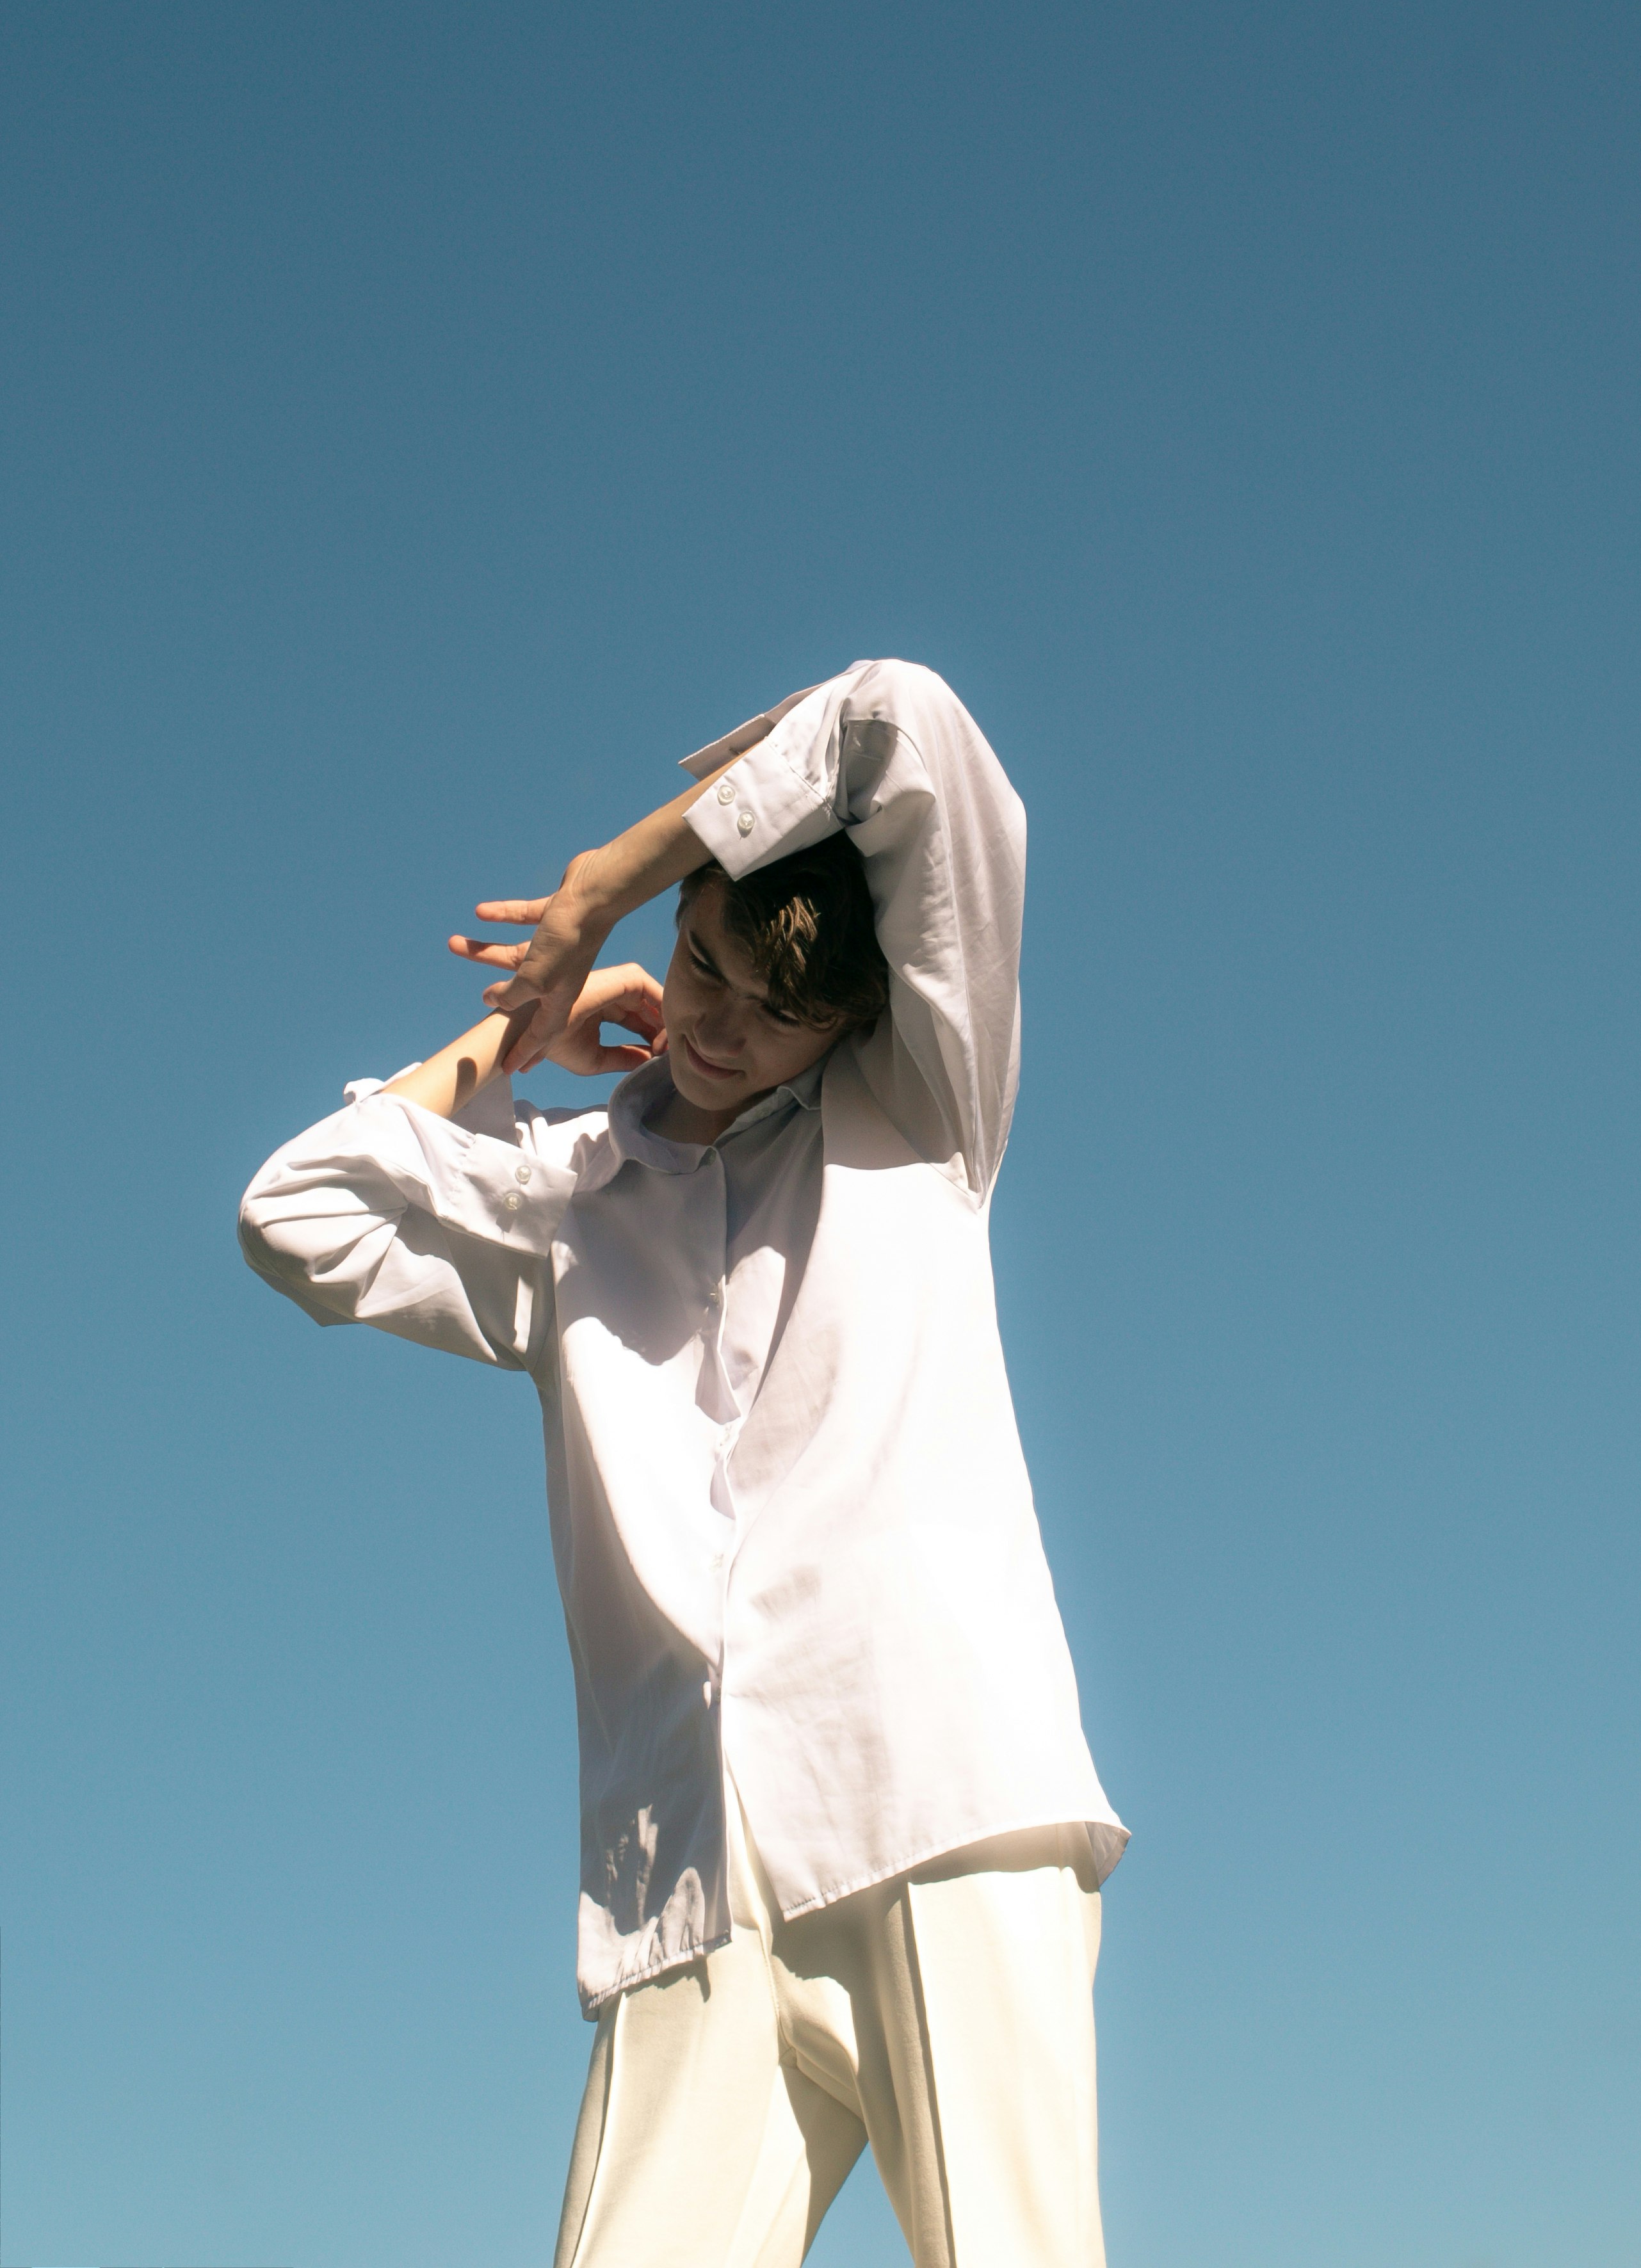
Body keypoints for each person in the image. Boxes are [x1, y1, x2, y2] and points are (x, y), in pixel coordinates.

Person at [239, 657, 1126, 2268]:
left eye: (778, 1012)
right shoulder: (574, 1198)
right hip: (687, 1869)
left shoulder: (923, 1115)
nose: (717, 1028)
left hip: (933, 1793)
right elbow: (298, 1218)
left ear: (850, 1017)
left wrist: (618, 873)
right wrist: (518, 1032)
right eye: (702, 965)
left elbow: (900, 715)